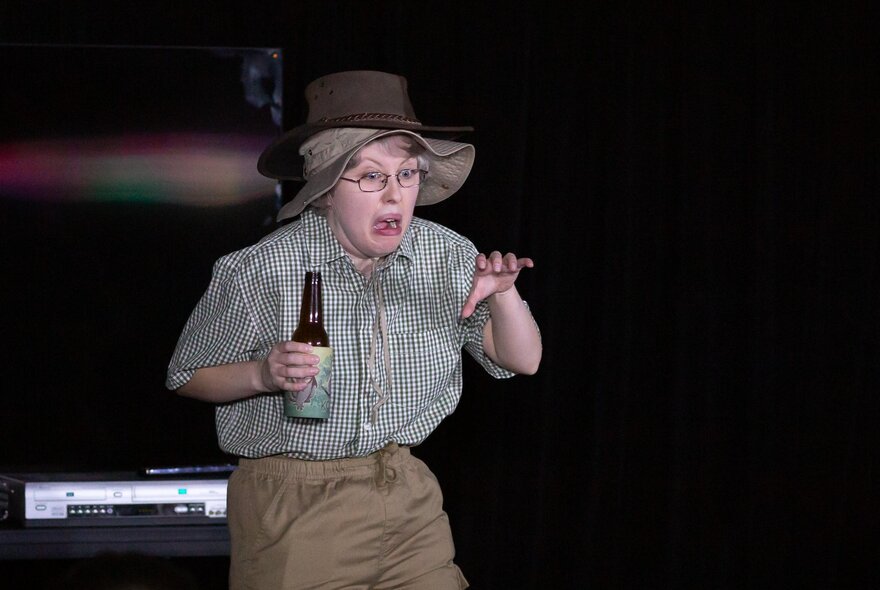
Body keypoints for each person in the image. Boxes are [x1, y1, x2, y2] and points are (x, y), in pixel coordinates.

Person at [166, 70, 542, 590]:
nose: (394, 195)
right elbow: (187, 375)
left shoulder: (446, 254)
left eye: (407, 174)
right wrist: (263, 372)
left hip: (406, 496)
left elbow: (522, 360)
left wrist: (503, 293)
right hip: (295, 508)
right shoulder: (261, 269)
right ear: (324, 188)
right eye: (371, 176)